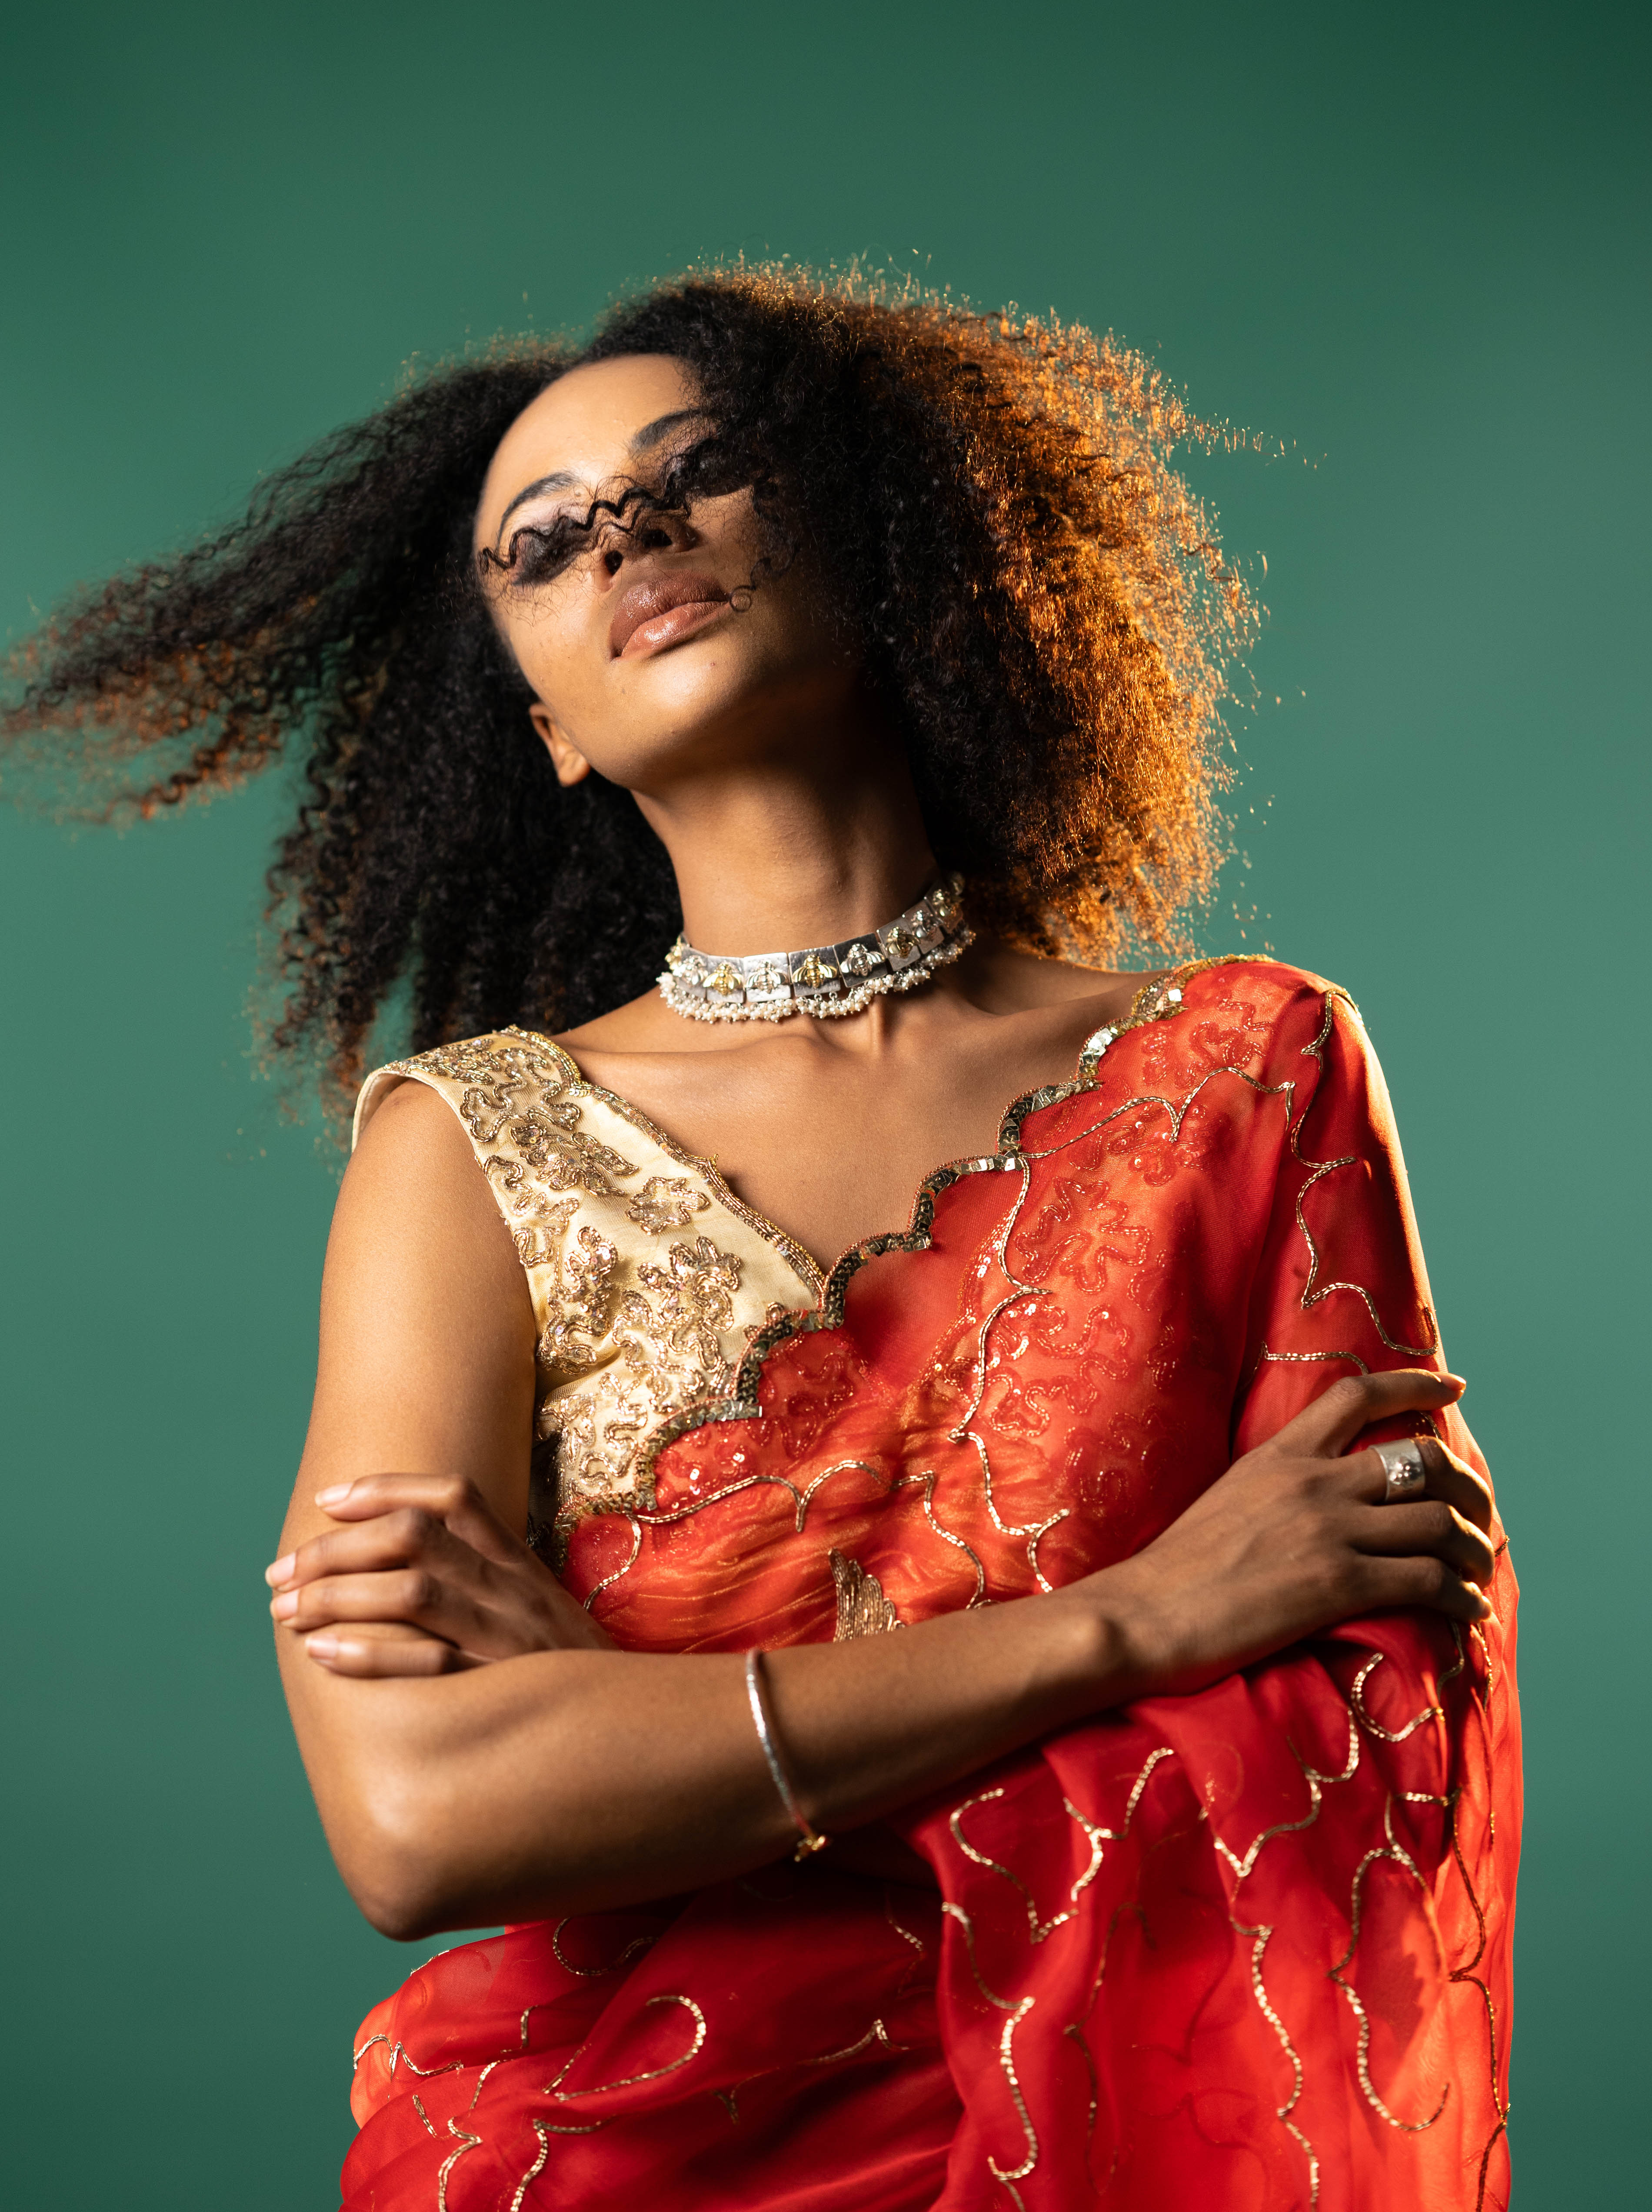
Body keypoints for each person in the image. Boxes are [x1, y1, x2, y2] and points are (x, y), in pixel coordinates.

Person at [5, 267, 1519, 2209]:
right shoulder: (472, 1150)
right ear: (545, 726)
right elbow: (420, 1820)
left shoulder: (1247, 1070)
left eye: (698, 468)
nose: (626, 534)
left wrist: (632, 1722)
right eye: (542, 543)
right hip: (597, 2153)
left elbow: (1361, 1736)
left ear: (869, 538)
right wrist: (1134, 1624)